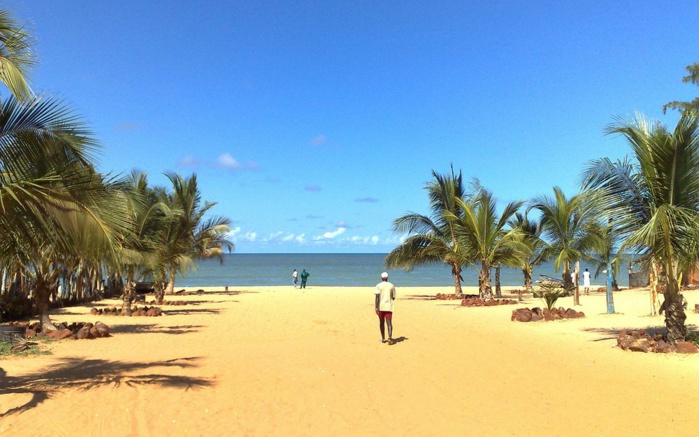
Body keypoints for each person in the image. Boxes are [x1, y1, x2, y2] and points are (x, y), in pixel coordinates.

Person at [374, 271, 396, 345]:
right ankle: (390, 337)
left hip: (381, 307)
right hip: (389, 307)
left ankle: (383, 338)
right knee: (389, 323)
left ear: (381, 278)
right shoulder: (391, 285)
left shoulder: (378, 285)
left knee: (381, 322)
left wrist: (376, 307)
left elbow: (377, 297)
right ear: (387, 278)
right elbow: (393, 297)